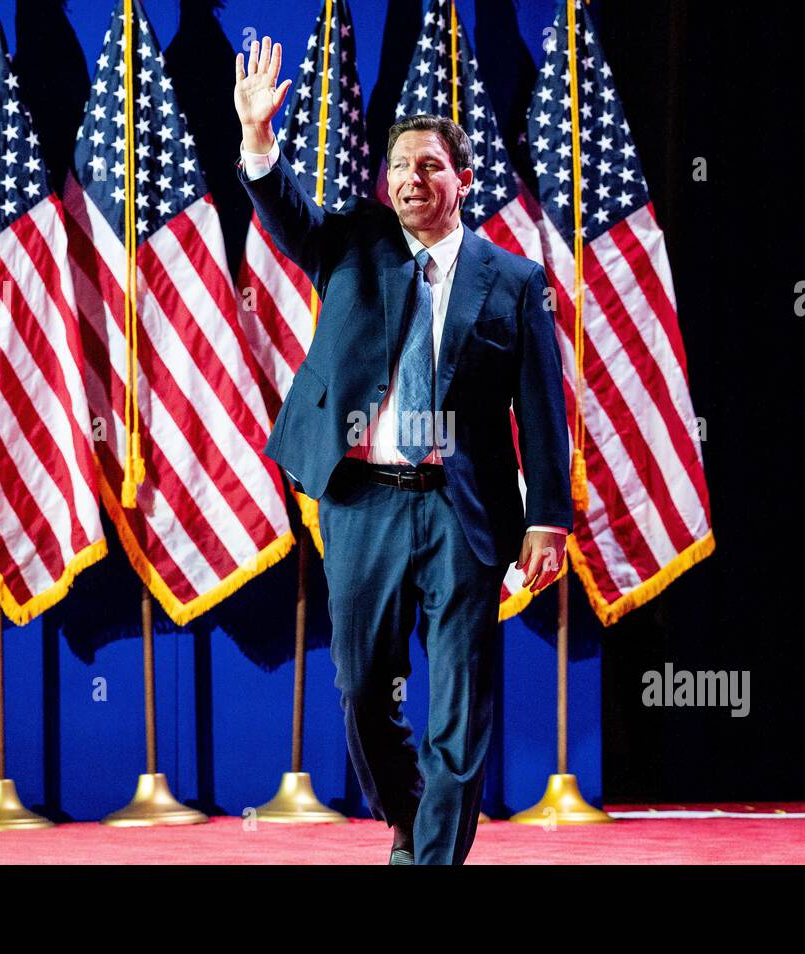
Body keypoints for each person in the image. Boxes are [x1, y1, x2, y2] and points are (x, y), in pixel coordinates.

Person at [233, 36, 573, 865]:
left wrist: (549, 520)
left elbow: (541, 404)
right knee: (360, 693)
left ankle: (427, 863)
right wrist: (256, 139)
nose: (410, 180)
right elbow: (286, 212)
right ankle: (412, 820)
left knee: (461, 702)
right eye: (398, 167)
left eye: (428, 166)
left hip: (466, 511)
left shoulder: (515, 281)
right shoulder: (352, 244)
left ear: (464, 181)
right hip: (362, 502)